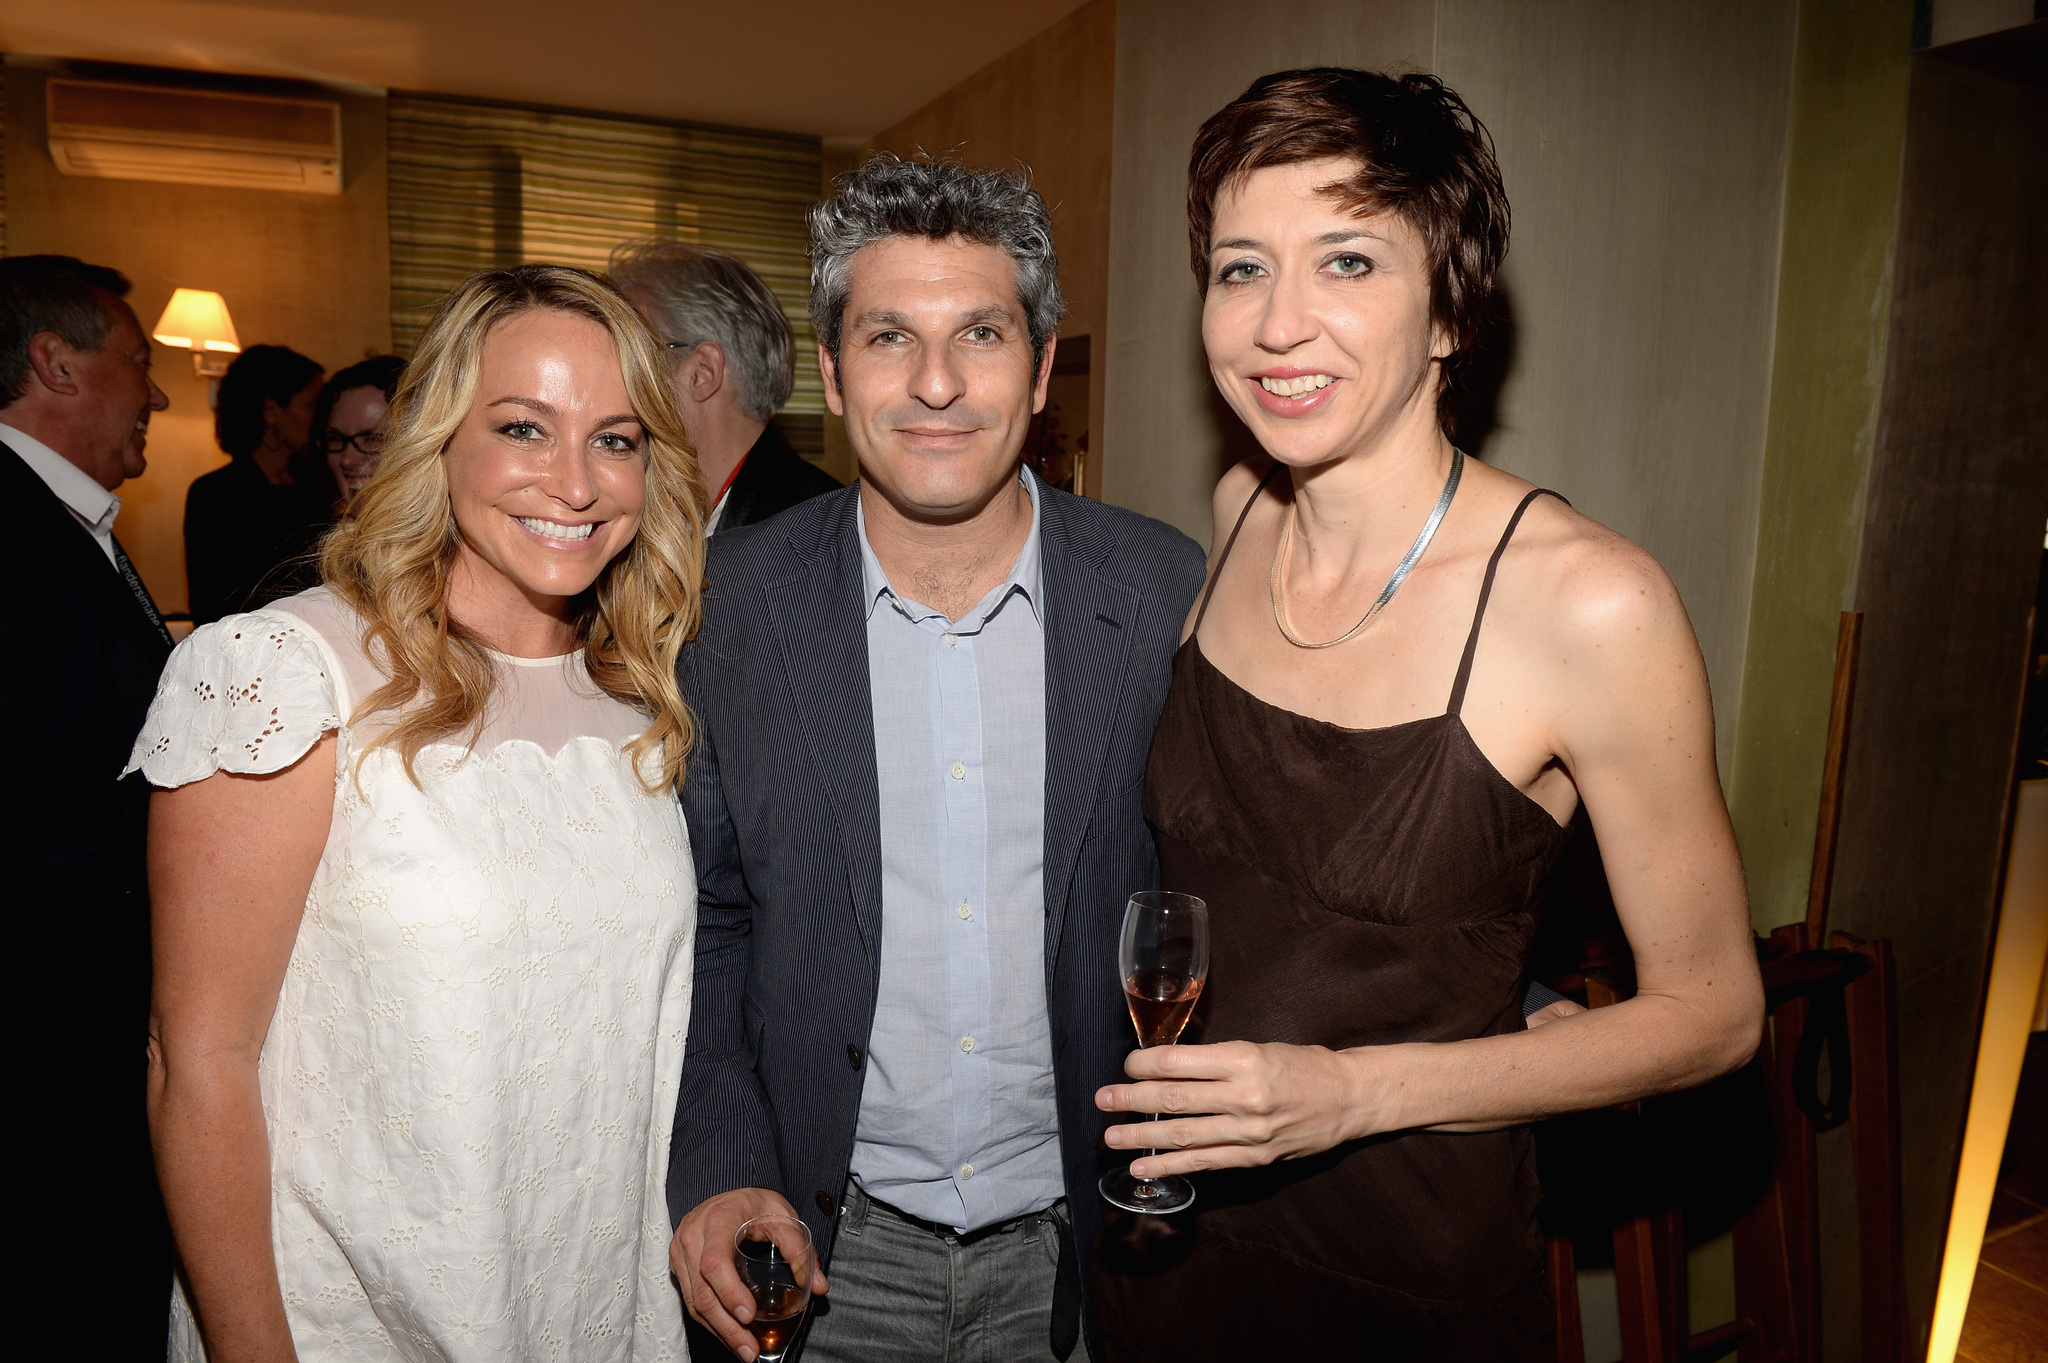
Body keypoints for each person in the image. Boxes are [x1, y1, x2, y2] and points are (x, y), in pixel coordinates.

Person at [1089, 69, 1764, 1361]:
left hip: (1403, 1277)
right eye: (1241, 268)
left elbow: (1717, 1011)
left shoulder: (1590, 601)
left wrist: (1351, 1091)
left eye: (1346, 260)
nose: (1279, 323)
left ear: (1450, 308)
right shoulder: (1235, 516)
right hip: (1170, 1248)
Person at [666, 154, 1207, 1363]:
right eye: (887, 337)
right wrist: (719, 1168)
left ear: (1043, 362)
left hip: (1086, 1252)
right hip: (817, 1254)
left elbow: (1255, 865)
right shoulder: (721, 608)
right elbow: (703, 923)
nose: (937, 384)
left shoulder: (1164, 591)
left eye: (979, 332)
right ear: (828, 371)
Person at [130, 265, 707, 1360]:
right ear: (438, 439)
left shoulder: (637, 697)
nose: (576, 483)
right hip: (346, 1324)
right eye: (525, 427)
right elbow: (196, 1062)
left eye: (618, 438)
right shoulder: (282, 670)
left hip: (590, 1312)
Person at [0, 253, 175, 1359]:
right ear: (54, 363)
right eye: (138, 361)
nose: (156, 392)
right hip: (50, 1051)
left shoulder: (67, 524)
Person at [609, 238, 840, 533]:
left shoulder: (817, 537)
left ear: (702, 373)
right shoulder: (653, 518)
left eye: (632, 355)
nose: (612, 376)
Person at [183, 342, 327, 623]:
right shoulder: (215, 495)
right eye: (312, 404)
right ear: (271, 411)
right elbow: (210, 606)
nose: (320, 418)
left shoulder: (321, 488)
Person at [297, 352, 407, 512]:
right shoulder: (320, 534)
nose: (347, 460)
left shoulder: (452, 533)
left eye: (373, 438)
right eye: (335, 438)